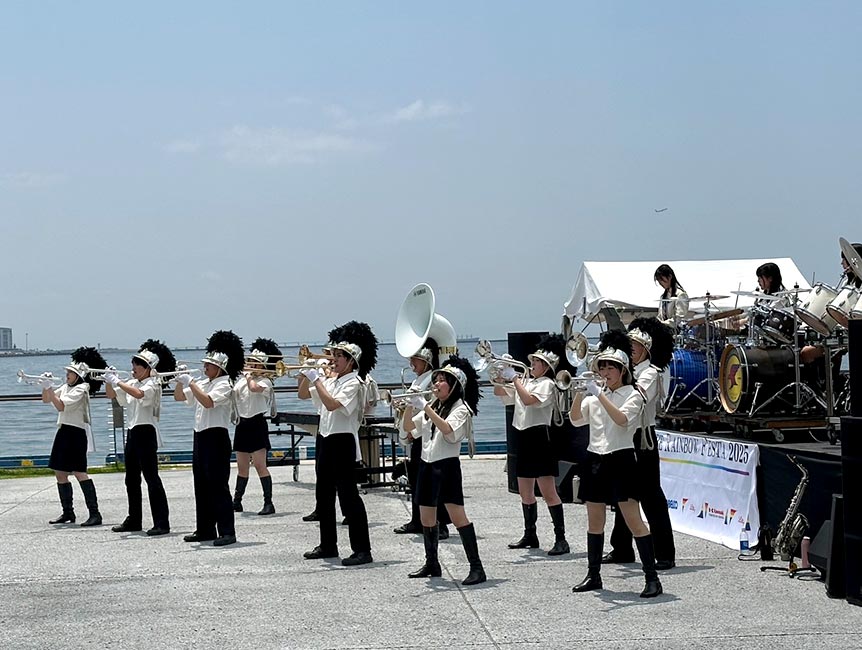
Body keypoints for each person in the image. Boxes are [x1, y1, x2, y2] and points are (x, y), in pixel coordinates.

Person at [568, 331, 662, 598]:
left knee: (634, 520)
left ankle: (652, 578)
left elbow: (622, 420)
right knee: (594, 520)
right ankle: (593, 574)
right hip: (595, 459)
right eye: (602, 367)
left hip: (621, 459)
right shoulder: (596, 395)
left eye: (611, 368)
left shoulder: (633, 394)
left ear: (623, 371)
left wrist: (599, 394)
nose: (605, 372)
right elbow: (575, 420)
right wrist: (580, 394)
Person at [297, 321, 378, 566]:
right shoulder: (332, 380)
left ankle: (362, 549)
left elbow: (333, 405)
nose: (333, 359)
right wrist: (307, 373)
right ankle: (328, 545)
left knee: (348, 496)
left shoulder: (354, 382)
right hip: (325, 438)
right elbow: (303, 394)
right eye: (333, 354)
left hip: (342, 441)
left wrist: (317, 380)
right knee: (323, 495)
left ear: (351, 361)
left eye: (339, 356)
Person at [402, 355, 486, 585]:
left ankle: (476, 567)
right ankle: (432, 563)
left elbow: (448, 429)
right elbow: (409, 428)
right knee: (426, 515)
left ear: (454, 385)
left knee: (457, 516)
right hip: (427, 463)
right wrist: (409, 405)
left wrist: (425, 407)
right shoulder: (434, 406)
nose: (436, 384)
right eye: (435, 380)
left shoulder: (462, 408)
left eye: (441, 381)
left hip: (446, 465)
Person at [603, 319, 676, 570]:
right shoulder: (625, 370)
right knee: (623, 493)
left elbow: (638, 397)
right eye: (629, 344)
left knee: (651, 495)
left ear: (647, 348)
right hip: (623, 434)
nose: (631, 348)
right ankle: (621, 548)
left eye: (636, 345)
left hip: (643, 436)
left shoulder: (650, 372)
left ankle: (664, 552)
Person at [494, 334, 570, 556]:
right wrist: (501, 375)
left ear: (546, 367)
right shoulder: (526, 382)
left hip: (540, 438)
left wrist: (515, 379)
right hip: (523, 437)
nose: (532, 364)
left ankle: (561, 538)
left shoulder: (547, 384)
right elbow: (500, 393)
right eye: (533, 361)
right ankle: (530, 534)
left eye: (537, 362)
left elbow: (529, 400)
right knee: (524, 490)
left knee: (548, 491)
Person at [174, 330, 244, 547]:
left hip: (216, 437)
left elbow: (207, 402)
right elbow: (179, 397)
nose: (204, 367)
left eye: (208, 365)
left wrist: (191, 382)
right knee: (201, 484)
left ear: (219, 368)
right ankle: (205, 529)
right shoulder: (204, 382)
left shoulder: (225, 384)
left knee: (217, 485)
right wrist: (180, 381)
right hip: (200, 435)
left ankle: (227, 531)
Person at [105, 340, 176, 536]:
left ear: (147, 368)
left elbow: (138, 394)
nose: (133, 368)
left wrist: (117, 381)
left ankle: (161, 522)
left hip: (146, 431)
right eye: (134, 364)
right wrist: (108, 380)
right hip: (132, 431)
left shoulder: (153, 383)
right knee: (131, 478)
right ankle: (134, 519)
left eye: (137, 364)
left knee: (151, 477)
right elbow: (112, 395)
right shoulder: (132, 382)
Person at [393, 337, 452, 539]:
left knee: (434, 481)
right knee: (417, 479)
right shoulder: (418, 380)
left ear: (426, 359)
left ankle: (440, 523)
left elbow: (433, 405)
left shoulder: (433, 379)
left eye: (415, 359)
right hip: (418, 431)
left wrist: (413, 425)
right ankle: (417, 519)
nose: (411, 363)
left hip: (428, 432)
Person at [42, 347, 107, 527]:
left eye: (70, 373)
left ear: (78, 375)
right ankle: (68, 512)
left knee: (79, 472)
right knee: (60, 472)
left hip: (76, 433)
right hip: (63, 430)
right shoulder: (65, 387)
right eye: (67, 372)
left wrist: (49, 388)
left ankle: (95, 513)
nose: (67, 375)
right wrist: (45, 386)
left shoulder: (83, 388)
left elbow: (61, 406)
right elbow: (47, 399)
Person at [232, 337, 281, 516]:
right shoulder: (241, 380)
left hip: (257, 423)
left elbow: (254, 388)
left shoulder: (266, 381)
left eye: (255, 363)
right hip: (242, 424)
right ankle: (237, 500)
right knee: (242, 466)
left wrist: (248, 376)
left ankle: (268, 502)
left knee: (260, 465)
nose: (251, 365)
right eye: (250, 362)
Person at [655, 264, 689, 330]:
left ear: (670, 277)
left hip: (675, 331)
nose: (660, 283)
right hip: (663, 330)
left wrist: (662, 324)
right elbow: (660, 316)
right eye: (658, 280)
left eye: (661, 279)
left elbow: (679, 318)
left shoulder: (680, 294)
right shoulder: (663, 296)